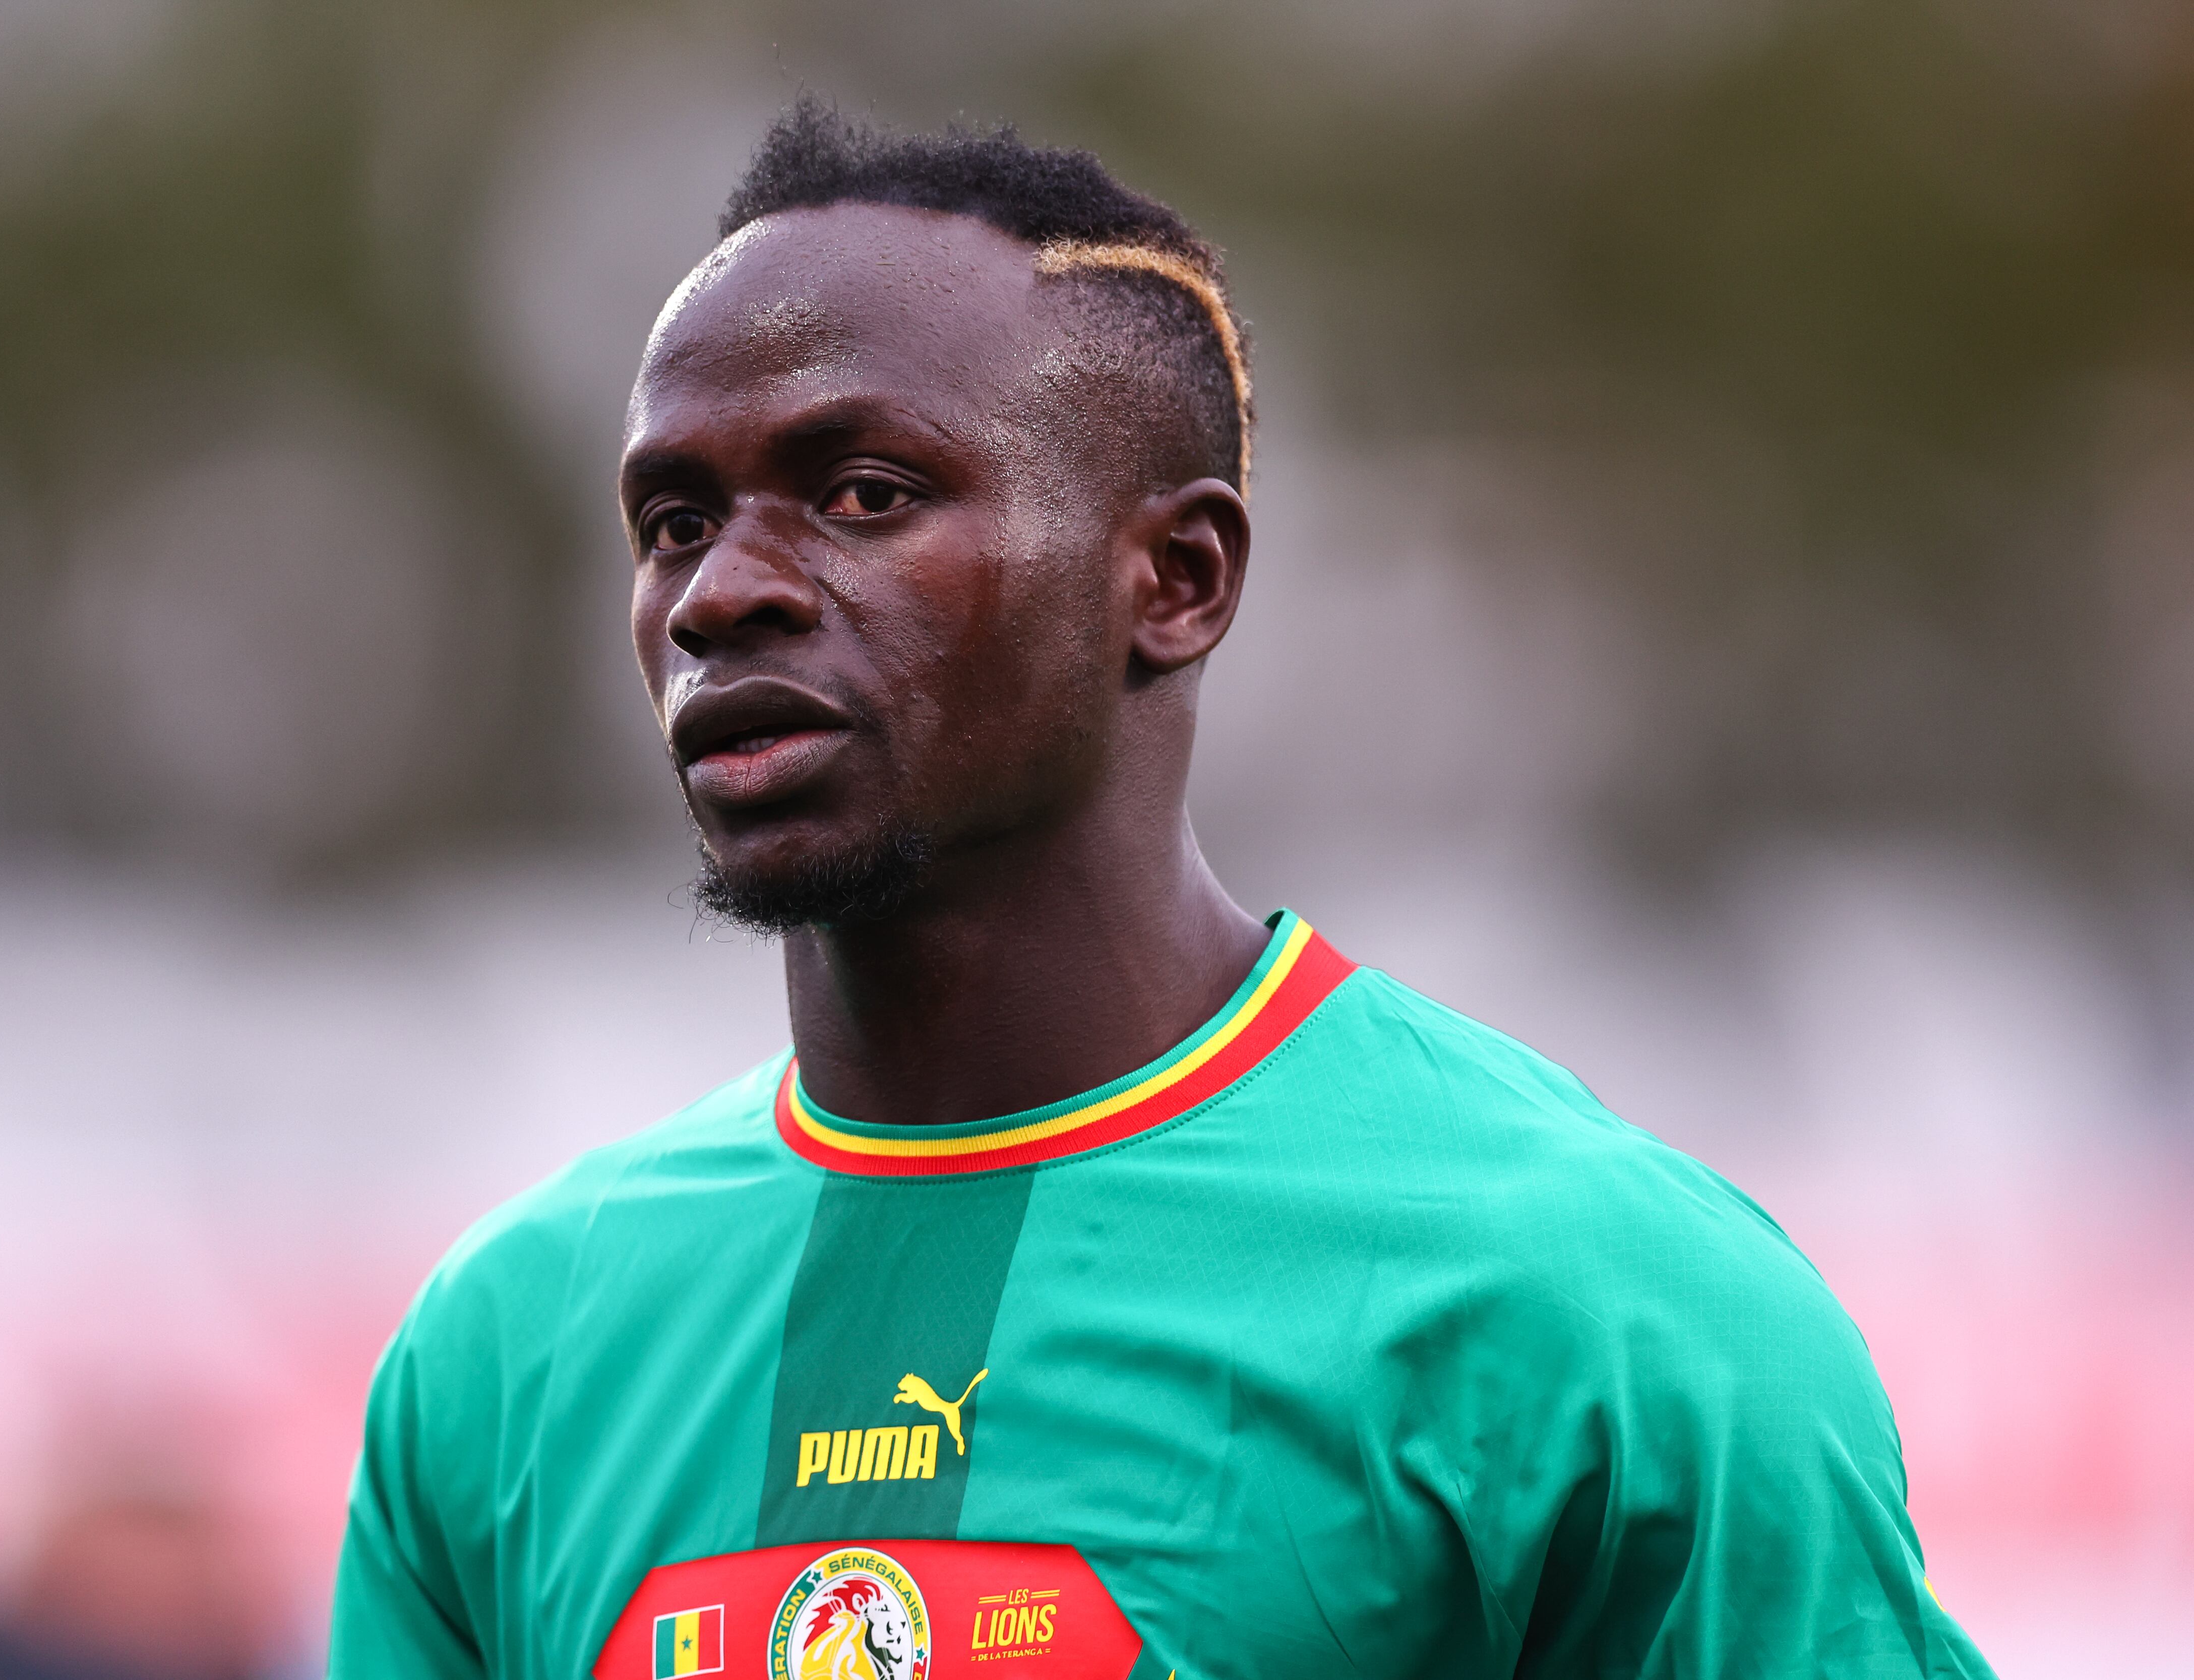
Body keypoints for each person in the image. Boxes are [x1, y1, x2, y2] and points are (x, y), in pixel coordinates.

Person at [328, 99, 1994, 1679]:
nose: (723, 595)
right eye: (674, 521)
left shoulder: (1600, 1317)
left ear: (1178, 581)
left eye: (864, 496)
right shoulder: (508, 1358)